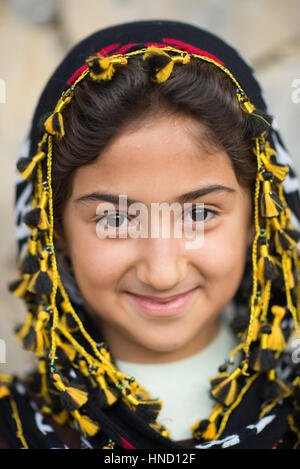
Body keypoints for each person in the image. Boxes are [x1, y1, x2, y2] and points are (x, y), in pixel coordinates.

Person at [1, 19, 300, 450]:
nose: (162, 273)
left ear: (259, 216)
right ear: (53, 230)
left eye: (199, 213)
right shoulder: (14, 431)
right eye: (115, 220)